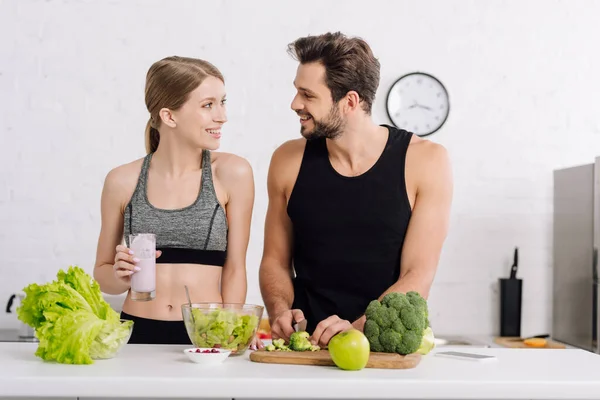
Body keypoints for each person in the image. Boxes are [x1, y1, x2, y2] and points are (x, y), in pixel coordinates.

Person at [259, 32, 453, 348]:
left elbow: (417, 275)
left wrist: (355, 330)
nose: (295, 104)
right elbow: (275, 261)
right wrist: (280, 310)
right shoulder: (287, 160)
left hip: (384, 347)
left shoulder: (426, 161)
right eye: (297, 92)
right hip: (306, 347)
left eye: (307, 95)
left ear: (349, 101)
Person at [93, 56, 255, 345]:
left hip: (206, 335)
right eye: (208, 105)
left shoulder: (232, 174)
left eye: (222, 102)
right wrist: (120, 275)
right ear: (170, 116)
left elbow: (235, 267)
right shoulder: (122, 181)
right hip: (136, 332)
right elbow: (103, 275)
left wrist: (231, 332)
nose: (222, 116)